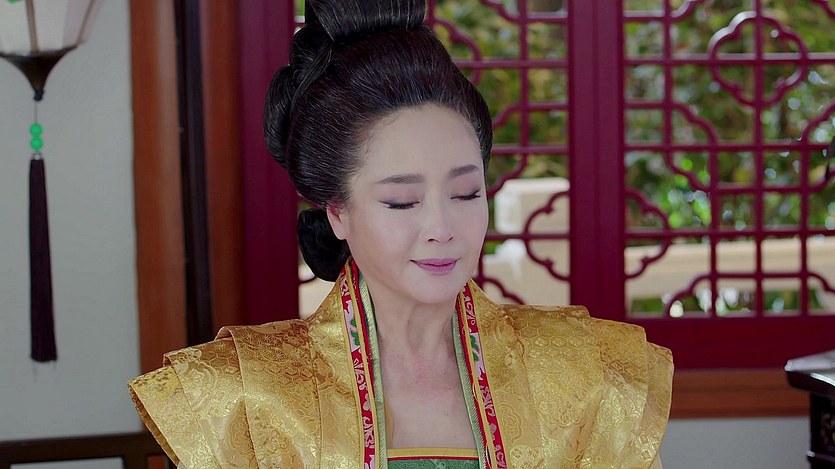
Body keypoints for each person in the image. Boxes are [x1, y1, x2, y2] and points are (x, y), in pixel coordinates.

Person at [128, 0, 673, 467]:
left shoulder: (587, 374)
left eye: (466, 193)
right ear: (337, 213)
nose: (442, 228)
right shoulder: (242, 398)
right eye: (401, 201)